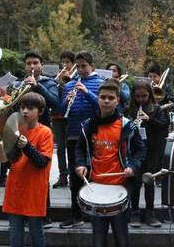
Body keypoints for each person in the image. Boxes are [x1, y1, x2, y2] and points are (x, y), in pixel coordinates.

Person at [75, 81, 146, 247]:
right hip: (95, 186)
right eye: (102, 97)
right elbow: (79, 148)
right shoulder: (88, 125)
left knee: (121, 236)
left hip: (119, 186)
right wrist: (80, 164)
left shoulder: (127, 126)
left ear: (117, 100)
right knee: (98, 237)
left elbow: (141, 150)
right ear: (98, 99)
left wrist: (133, 167)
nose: (106, 101)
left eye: (110, 98)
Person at [59, 51, 104, 229]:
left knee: (95, 175)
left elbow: (103, 107)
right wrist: (67, 100)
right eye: (77, 66)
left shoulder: (100, 83)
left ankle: (95, 214)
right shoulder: (69, 84)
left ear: (91, 65)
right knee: (75, 176)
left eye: (83, 66)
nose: (80, 70)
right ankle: (76, 214)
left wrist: (86, 93)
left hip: (95, 135)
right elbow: (62, 111)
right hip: (74, 135)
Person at [3, 92, 54, 247]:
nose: (25, 111)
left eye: (30, 108)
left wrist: (26, 146)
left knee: (36, 232)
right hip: (15, 187)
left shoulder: (45, 132)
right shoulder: (15, 129)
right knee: (15, 234)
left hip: (34, 189)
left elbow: (41, 163)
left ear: (41, 111)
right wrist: (0, 149)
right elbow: (10, 163)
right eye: (22, 107)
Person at [127, 80, 169, 228]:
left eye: (144, 96)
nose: (141, 99)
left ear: (149, 95)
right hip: (135, 151)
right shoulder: (129, 109)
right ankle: (135, 212)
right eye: (138, 96)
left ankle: (150, 212)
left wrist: (149, 119)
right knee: (135, 182)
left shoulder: (157, 109)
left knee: (149, 180)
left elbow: (164, 127)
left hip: (151, 150)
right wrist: (132, 123)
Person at [52, 50, 76, 189]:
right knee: (60, 148)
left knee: (72, 146)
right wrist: (59, 82)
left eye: (68, 62)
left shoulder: (76, 77)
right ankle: (63, 176)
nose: (65, 65)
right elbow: (54, 95)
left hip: (71, 115)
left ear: (73, 64)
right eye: (63, 62)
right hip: (57, 116)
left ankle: (73, 175)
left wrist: (70, 80)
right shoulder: (57, 78)